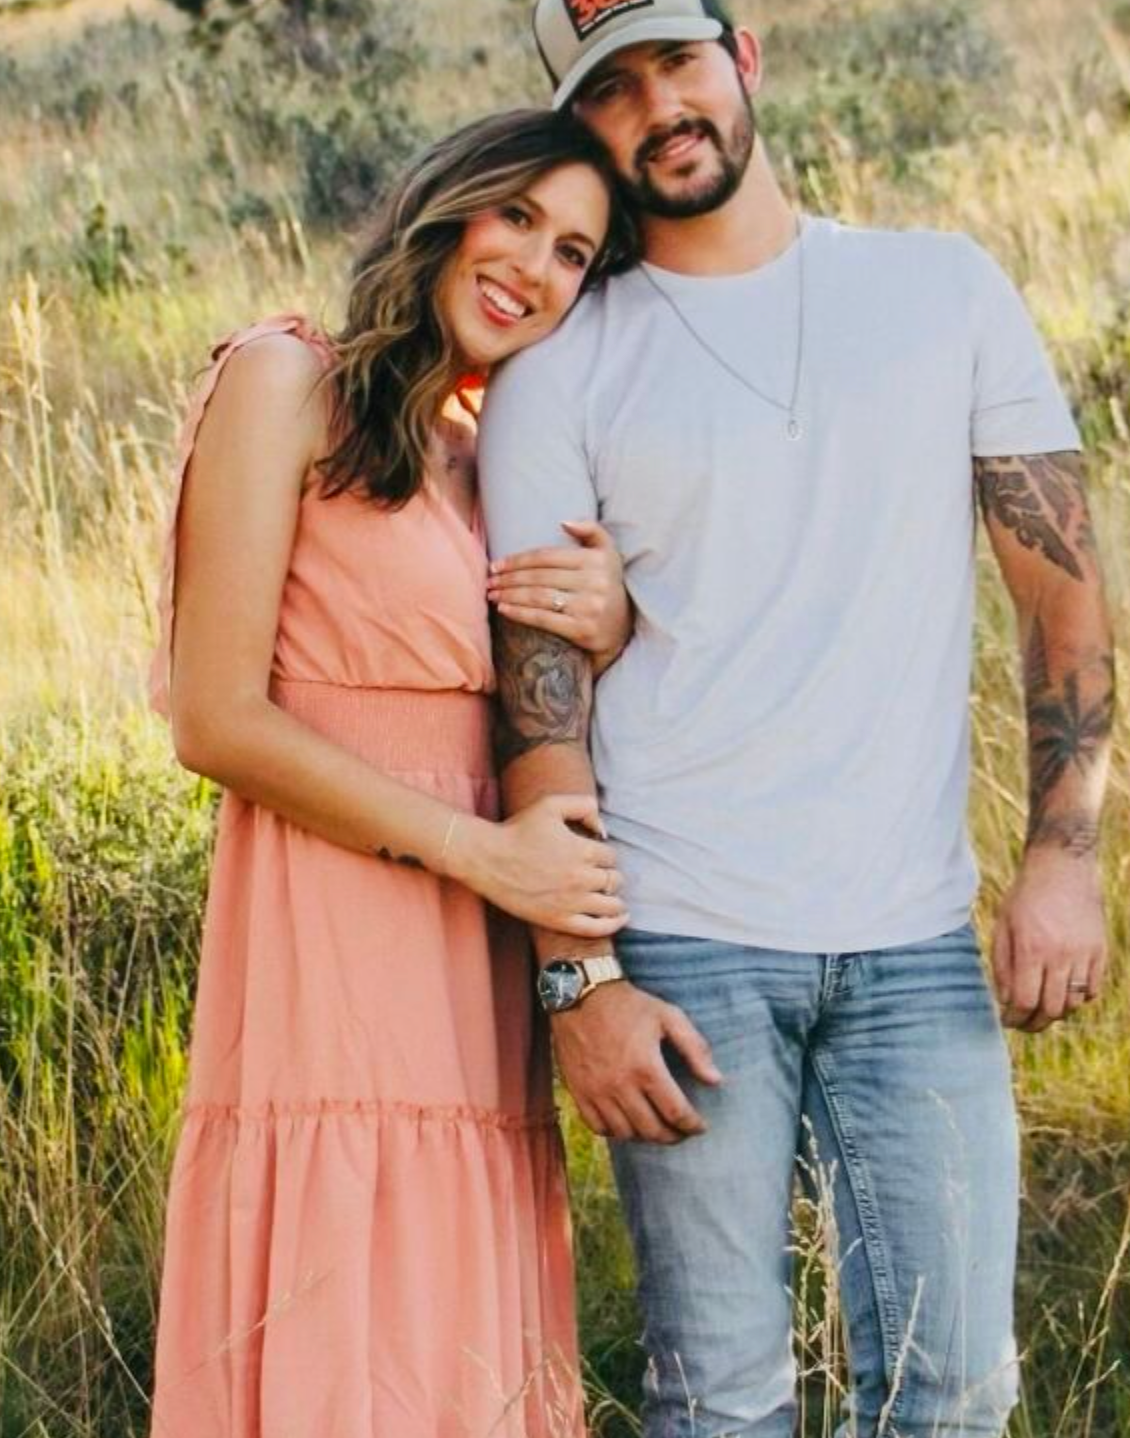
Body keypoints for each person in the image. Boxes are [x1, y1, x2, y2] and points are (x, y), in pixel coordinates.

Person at [480, 4, 1115, 1436]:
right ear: (585, 126)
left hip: (912, 940)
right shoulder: (561, 366)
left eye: (677, 63)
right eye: (615, 90)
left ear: (743, 56)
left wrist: (1062, 858)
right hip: (682, 939)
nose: (659, 108)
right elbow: (540, 711)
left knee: (951, 1392)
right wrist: (579, 984)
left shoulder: (939, 289)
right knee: (714, 1398)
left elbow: (1063, 603)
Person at [145, 108, 641, 1438]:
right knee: (338, 1315)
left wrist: (612, 615)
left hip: (471, 973)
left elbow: (539, 705)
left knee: (448, 1349)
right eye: (518, 216)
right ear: (447, 202)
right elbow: (214, 717)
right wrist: (485, 854)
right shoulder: (284, 378)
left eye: (574, 253)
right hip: (332, 937)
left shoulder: (494, 460)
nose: (533, 267)